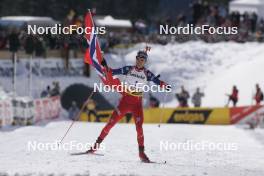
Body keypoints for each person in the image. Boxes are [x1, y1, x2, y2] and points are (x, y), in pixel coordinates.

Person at [86, 50, 170, 163]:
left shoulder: (147, 73)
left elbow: (157, 81)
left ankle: (141, 153)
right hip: (125, 102)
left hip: (137, 104)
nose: (140, 61)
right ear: (136, 59)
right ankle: (95, 146)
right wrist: (104, 65)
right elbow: (112, 72)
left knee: (139, 128)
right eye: (139, 59)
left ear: (145, 61)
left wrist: (165, 86)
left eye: (143, 60)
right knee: (110, 124)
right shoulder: (128, 69)